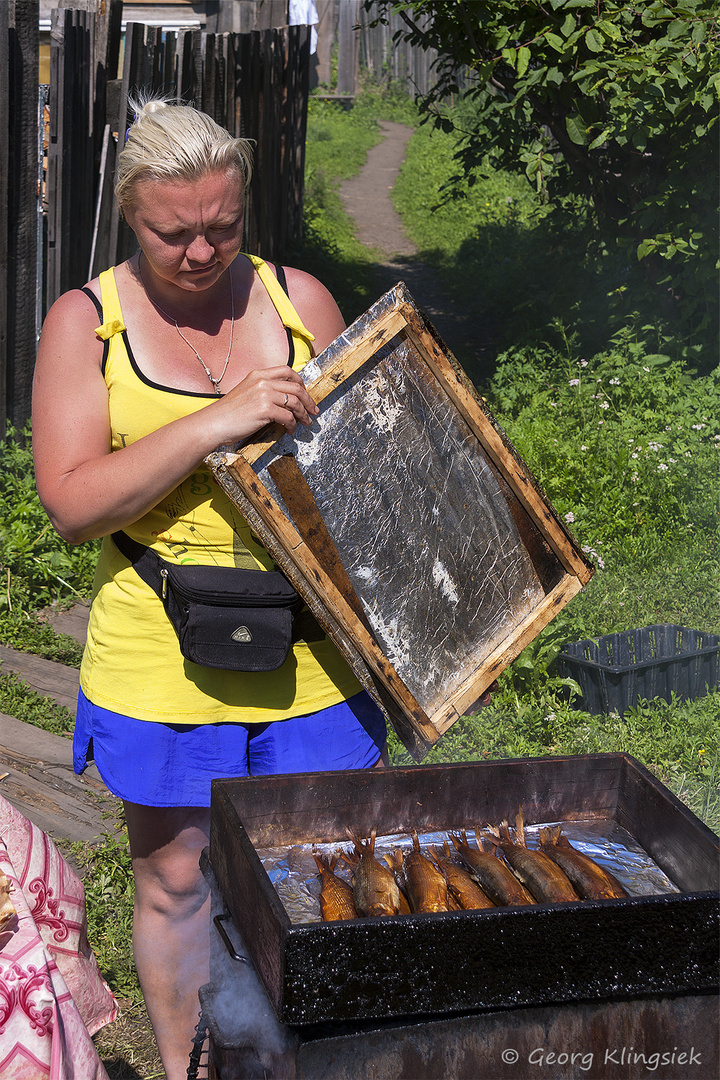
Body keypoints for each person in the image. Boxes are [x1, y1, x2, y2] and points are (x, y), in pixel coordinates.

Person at [31, 96, 390, 1078]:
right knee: (181, 884)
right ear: (128, 215)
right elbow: (71, 501)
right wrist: (212, 424)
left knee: (327, 876)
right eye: (172, 232)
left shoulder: (297, 302)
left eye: (223, 228)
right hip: (163, 650)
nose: (200, 252)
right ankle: (203, 1070)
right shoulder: (87, 321)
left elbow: (372, 486)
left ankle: (310, 1062)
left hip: (313, 650)